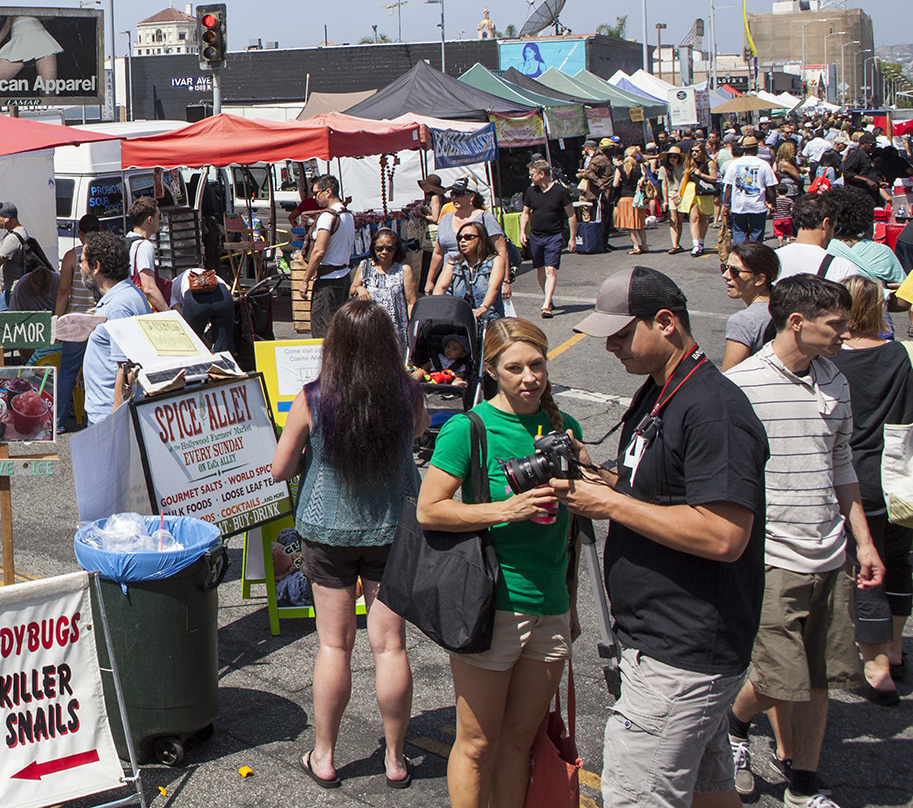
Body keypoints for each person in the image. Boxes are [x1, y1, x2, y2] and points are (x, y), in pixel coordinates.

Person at [563, 267, 769, 808]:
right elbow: (661, 494)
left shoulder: (712, 409)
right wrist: (602, 478)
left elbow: (725, 534)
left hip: (683, 651)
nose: (609, 347)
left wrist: (609, 503)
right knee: (709, 791)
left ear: (666, 322)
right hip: (668, 643)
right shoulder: (661, 390)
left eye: (621, 333)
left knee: (636, 795)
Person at [724, 275, 884, 808]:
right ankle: (735, 723)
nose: (845, 332)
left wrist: (863, 542)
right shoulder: (743, 386)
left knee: (819, 677)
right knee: (779, 676)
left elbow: (842, 465)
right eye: (836, 324)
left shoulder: (835, 380)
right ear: (798, 323)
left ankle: (803, 787)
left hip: (831, 551)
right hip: (771, 555)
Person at [417, 317, 585, 808]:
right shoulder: (469, 429)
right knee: (477, 744)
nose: (529, 377)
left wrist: (570, 605)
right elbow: (430, 509)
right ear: (491, 371)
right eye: (514, 368)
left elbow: (573, 532)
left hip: (550, 602)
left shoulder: (563, 428)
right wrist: (506, 510)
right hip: (493, 605)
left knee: (519, 743)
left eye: (537, 365)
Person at [269, 300, 425, 789]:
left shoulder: (313, 398)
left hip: (327, 530)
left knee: (334, 645)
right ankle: (396, 760)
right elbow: (419, 433)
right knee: (390, 647)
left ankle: (325, 755)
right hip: (393, 528)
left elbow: (280, 468)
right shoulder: (408, 393)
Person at [833, 276, 913, 703]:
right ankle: (896, 648)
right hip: (895, 473)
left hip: (854, 475)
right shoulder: (897, 354)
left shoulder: (833, 361)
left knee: (864, 570)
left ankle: (875, 663)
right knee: (898, 560)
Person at [79, 231, 152, 426]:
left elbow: (126, 368)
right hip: (105, 411)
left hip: (108, 416)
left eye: (83, 261)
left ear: (97, 267)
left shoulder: (119, 306)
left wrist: (115, 419)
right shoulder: (124, 296)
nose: (80, 266)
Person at [50, 215, 103, 433]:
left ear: (79, 234)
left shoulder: (72, 257)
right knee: (98, 371)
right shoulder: (104, 256)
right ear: (99, 230)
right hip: (99, 320)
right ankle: (97, 416)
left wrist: (57, 323)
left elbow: (63, 292)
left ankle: (59, 421)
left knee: (67, 372)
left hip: (75, 323)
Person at [299, 175, 356, 336]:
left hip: (327, 281)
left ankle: (325, 361)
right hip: (343, 277)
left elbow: (319, 251)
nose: (314, 197)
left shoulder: (327, 216)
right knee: (338, 329)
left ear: (328, 192)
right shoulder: (348, 215)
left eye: (316, 193)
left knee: (322, 332)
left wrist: (305, 280)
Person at [428, 181, 507, 289]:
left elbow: (501, 250)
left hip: (480, 280)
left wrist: (505, 281)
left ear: (472, 196)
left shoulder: (485, 217)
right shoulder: (445, 219)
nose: (454, 197)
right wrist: (430, 280)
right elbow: (438, 253)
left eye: (459, 194)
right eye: (452, 194)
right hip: (449, 281)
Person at [520, 159, 572, 317]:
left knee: (551, 270)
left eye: (532, 174)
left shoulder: (560, 191)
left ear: (542, 174)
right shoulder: (530, 191)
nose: (530, 177)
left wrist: (573, 237)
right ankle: (548, 298)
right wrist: (523, 231)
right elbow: (525, 213)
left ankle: (546, 305)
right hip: (536, 235)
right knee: (540, 268)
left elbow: (571, 215)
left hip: (554, 235)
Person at [349, 227, 416, 343]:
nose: (384, 252)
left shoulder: (404, 270)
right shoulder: (365, 266)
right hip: (369, 326)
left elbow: (411, 302)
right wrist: (359, 288)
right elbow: (352, 290)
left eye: (389, 249)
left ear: (396, 249)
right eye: (379, 248)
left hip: (396, 330)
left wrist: (413, 328)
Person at [722, 241, 782, 369]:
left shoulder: (743, 321)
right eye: (724, 267)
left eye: (734, 271)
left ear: (759, 279)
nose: (725, 275)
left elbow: (730, 376)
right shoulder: (785, 305)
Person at [434, 221, 508, 324]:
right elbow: (440, 288)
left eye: (468, 237)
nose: (463, 241)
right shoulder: (453, 263)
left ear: (481, 239)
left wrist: (483, 308)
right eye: (460, 238)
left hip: (490, 320)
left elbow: (493, 287)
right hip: (461, 319)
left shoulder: (495, 260)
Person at [723, 140, 780, 247]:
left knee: (738, 232)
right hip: (757, 205)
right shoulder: (764, 164)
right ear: (756, 149)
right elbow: (771, 187)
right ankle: (754, 255)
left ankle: (741, 254)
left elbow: (729, 186)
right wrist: (773, 204)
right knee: (757, 234)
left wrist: (726, 205)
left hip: (739, 205)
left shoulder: (734, 164)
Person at [126, 198, 168, 312]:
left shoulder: (127, 241)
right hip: (143, 309)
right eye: (159, 217)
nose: (160, 221)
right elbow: (149, 288)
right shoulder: (144, 246)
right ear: (150, 220)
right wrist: (169, 313)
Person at [0, 203, 32, 309]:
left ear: (7, 219)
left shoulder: (12, 238)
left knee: (5, 321)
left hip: (10, 290)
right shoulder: (21, 232)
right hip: (11, 287)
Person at [616, 145, 653, 254]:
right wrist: (639, 154)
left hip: (625, 197)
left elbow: (615, 183)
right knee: (640, 223)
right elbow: (646, 167)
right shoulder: (641, 166)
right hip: (638, 198)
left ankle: (636, 246)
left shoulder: (620, 168)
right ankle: (645, 245)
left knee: (629, 224)